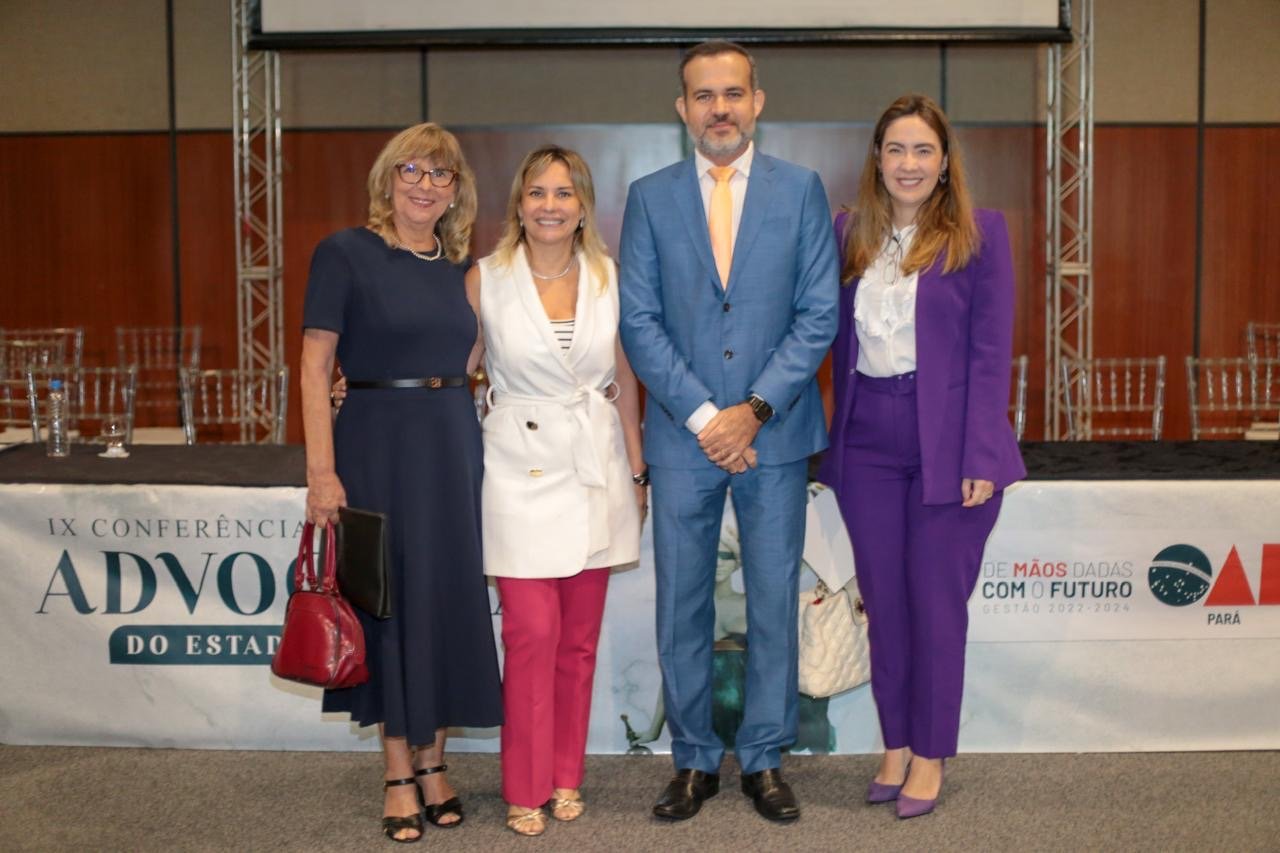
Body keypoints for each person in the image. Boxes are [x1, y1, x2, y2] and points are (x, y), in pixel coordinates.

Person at [618, 40, 839, 824]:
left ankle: (767, 756)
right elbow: (639, 322)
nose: (720, 108)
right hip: (684, 438)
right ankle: (692, 760)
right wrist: (711, 419)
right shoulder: (649, 196)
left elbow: (819, 314)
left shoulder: (802, 190)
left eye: (733, 93)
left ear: (758, 101)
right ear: (682, 110)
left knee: (775, 598)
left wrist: (753, 409)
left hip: (773, 435)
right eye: (704, 95)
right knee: (682, 602)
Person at [815, 94, 1027, 819]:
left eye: (923, 151)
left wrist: (979, 454)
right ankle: (897, 742)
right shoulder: (849, 234)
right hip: (867, 437)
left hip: (950, 442)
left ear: (944, 164)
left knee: (936, 608)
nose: (909, 163)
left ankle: (931, 754)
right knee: (887, 607)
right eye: (896, 149)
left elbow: (991, 355)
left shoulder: (981, 234)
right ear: (877, 159)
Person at [300, 122, 503, 843]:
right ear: (388, 178)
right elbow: (314, 367)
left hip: (451, 443)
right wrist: (321, 472)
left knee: (445, 600)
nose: (424, 184)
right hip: (375, 447)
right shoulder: (345, 253)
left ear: (457, 192)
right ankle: (395, 769)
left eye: (440, 174)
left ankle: (435, 762)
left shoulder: (462, 271)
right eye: (411, 170)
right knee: (388, 606)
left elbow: (484, 359)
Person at [471, 145, 645, 836]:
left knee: (577, 640)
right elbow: (451, 369)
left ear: (583, 206)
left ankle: (566, 774)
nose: (549, 204)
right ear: (518, 202)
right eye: (537, 192)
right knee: (531, 631)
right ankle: (524, 782)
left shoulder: (610, 275)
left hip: (596, 465)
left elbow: (627, 379)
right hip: (515, 469)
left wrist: (636, 465)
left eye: (564, 193)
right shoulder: (484, 278)